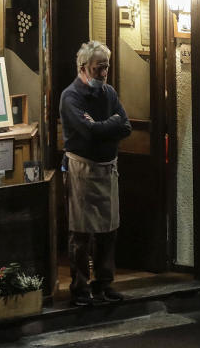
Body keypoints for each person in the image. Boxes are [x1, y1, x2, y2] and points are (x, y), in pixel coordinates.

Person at [60, 40, 132, 306]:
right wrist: (108, 125)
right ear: (83, 67)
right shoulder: (71, 97)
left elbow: (125, 127)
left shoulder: (109, 93)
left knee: (108, 229)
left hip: (107, 168)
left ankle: (103, 283)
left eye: (106, 67)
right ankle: (79, 288)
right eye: (98, 68)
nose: (104, 73)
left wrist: (104, 125)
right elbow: (87, 132)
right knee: (81, 232)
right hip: (82, 169)